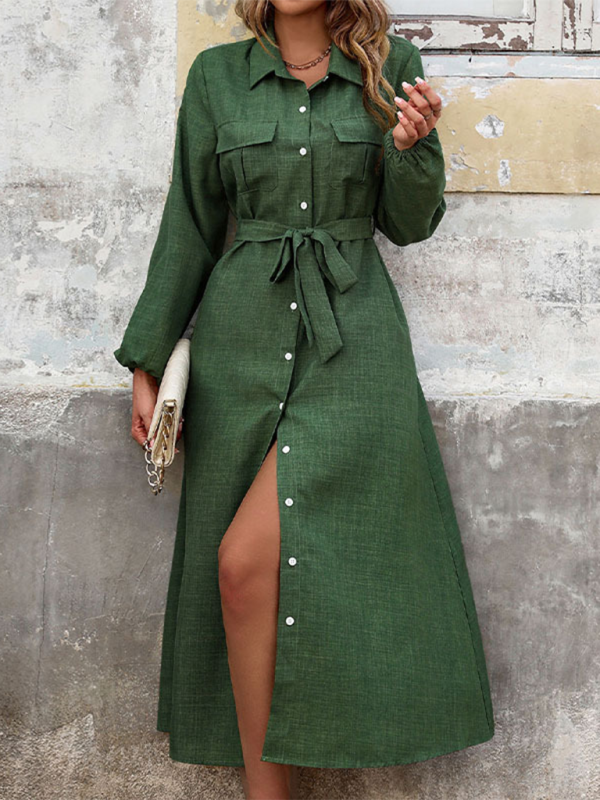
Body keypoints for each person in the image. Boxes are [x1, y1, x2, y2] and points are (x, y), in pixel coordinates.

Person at [113, 1, 495, 798]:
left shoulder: (392, 66)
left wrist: (412, 149)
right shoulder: (217, 77)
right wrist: (147, 359)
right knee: (241, 574)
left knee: (249, 557)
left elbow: (408, 224)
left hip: (353, 345)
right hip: (239, 347)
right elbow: (190, 221)